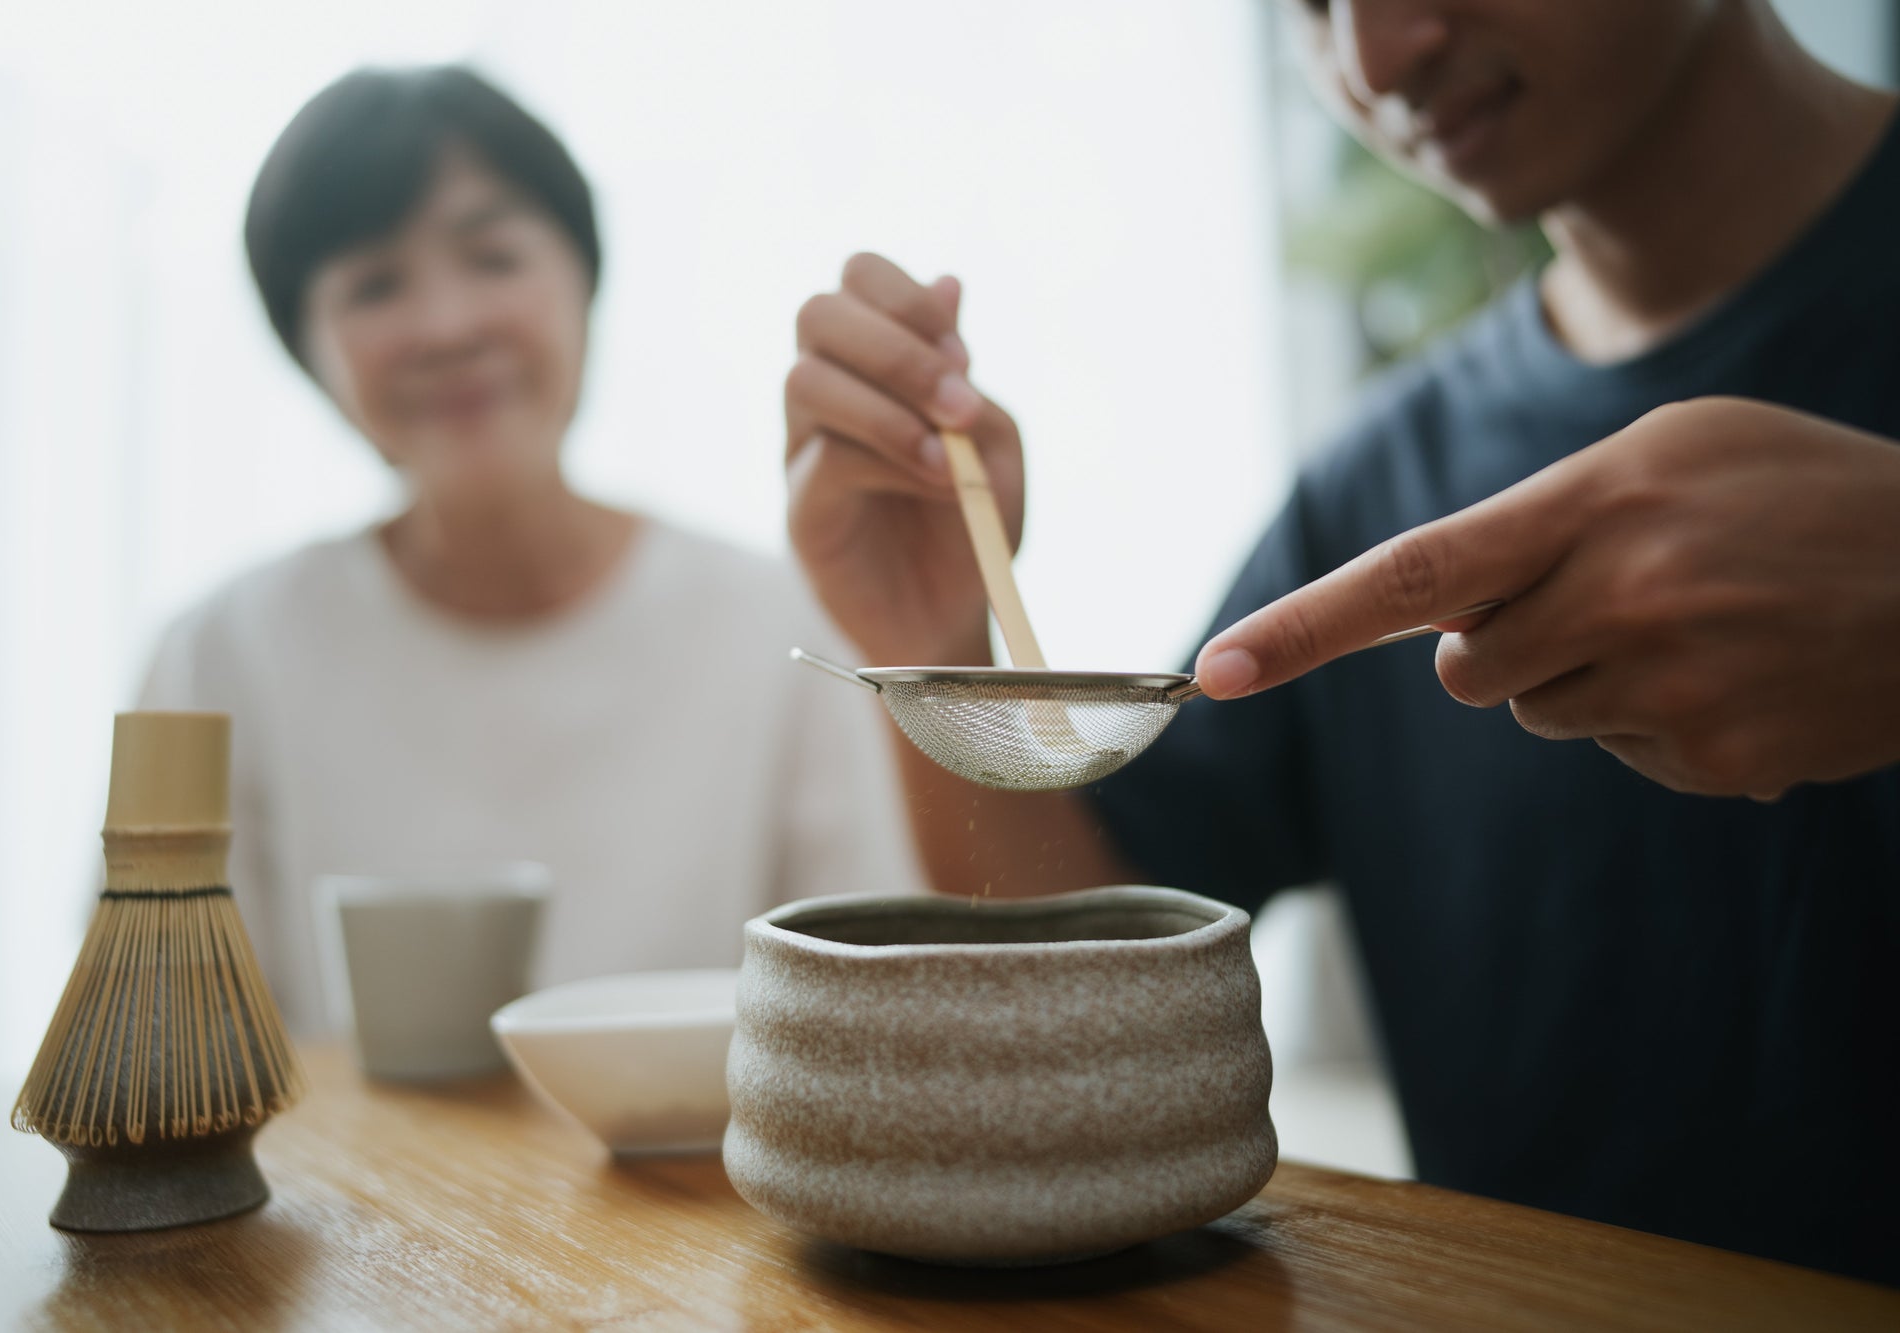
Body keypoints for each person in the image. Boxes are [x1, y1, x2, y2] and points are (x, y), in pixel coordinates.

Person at [781, 0, 1900, 1285]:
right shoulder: (1379, 487)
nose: (1372, 58)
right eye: (1308, 7)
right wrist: (932, 636)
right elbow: (1073, 928)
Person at [139, 66, 919, 1035]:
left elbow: (872, 1010)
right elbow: (171, 1050)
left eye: (494, 257)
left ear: (583, 282)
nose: (446, 326)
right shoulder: (222, 654)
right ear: (309, 351)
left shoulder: (781, 627)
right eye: (374, 285)